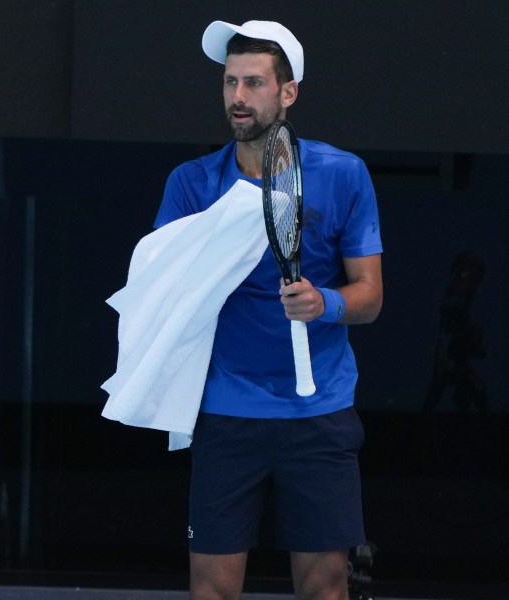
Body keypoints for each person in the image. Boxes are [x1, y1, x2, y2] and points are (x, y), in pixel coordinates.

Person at [154, 21, 384, 600]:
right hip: (225, 413)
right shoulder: (190, 184)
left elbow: (369, 296)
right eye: (230, 82)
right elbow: (162, 294)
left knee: (327, 585)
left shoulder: (343, 174)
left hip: (320, 412)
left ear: (288, 92)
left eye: (254, 83)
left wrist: (322, 302)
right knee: (211, 590)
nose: (237, 97)